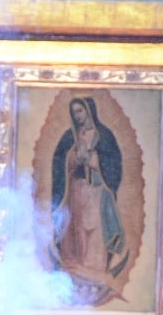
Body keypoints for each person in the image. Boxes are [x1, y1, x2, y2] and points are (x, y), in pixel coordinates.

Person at [51, 95, 126, 296]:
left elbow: (114, 166)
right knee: (78, 234)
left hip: (97, 193)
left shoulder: (104, 136)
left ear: (89, 110)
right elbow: (59, 163)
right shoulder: (69, 137)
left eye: (80, 111)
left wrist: (96, 161)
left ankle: (95, 277)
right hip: (75, 191)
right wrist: (73, 158)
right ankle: (77, 279)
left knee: (95, 235)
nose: (77, 116)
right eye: (74, 112)